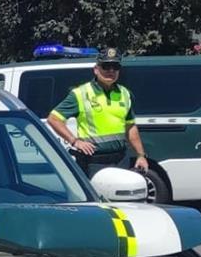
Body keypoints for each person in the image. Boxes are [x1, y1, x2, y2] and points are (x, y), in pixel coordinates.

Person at [46, 48, 150, 178]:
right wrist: (75, 141)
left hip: (121, 159)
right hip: (93, 161)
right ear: (96, 69)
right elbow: (54, 119)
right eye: (106, 66)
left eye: (115, 67)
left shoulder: (124, 93)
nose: (111, 71)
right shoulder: (81, 93)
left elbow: (130, 127)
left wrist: (141, 155)